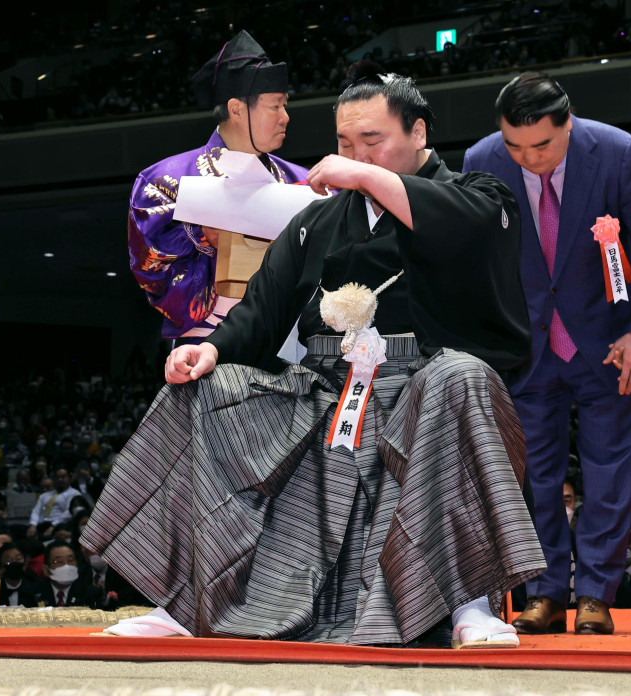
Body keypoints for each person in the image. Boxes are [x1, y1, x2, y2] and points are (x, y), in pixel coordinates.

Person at [83, 66, 545, 647]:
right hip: (326, 389)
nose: (356, 156)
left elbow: (467, 231)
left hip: (425, 388)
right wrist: (208, 350)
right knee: (211, 390)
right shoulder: (318, 220)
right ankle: (188, 603)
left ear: (419, 132)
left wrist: (366, 177)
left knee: (463, 376)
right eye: (345, 144)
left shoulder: (480, 196)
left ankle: (467, 605)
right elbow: (261, 309)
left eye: (372, 141)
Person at [462, 71, 631, 634]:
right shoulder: (481, 159)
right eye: (515, 145)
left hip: (611, 345)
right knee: (533, 475)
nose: (528, 158)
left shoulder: (615, 151)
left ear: (569, 124)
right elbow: (476, 260)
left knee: (609, 471)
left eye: (542, 145)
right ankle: (544, 592)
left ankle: (596, 597)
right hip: (526, 347)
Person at [128, 30, 308, 343]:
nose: (286, 117)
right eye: (275, 106)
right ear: (237, 109)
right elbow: (152, 271)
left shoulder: (304, 182)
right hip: (206, 341)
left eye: (285, 105)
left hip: (291, 343)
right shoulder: (166, 181)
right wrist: (199, 234)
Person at [26, 467, 80, 537]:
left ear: (69, 478)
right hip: (40, 524)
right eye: (57, 477)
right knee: (15, 528)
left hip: (58, 524)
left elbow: (68, 513)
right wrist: (32, 525)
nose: (60, 479)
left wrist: (53, 525)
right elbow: (36, 511)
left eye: (63, 477)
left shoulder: (74, 494)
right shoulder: (44, 495)